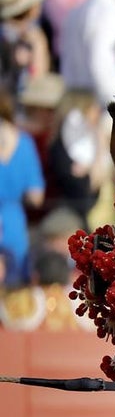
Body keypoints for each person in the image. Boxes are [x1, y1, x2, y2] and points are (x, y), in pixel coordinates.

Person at [0, 88, 44, 287]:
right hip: (14, 224)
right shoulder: (24, 143)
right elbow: (37, 196)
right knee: (15, 297)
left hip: (12, 220)